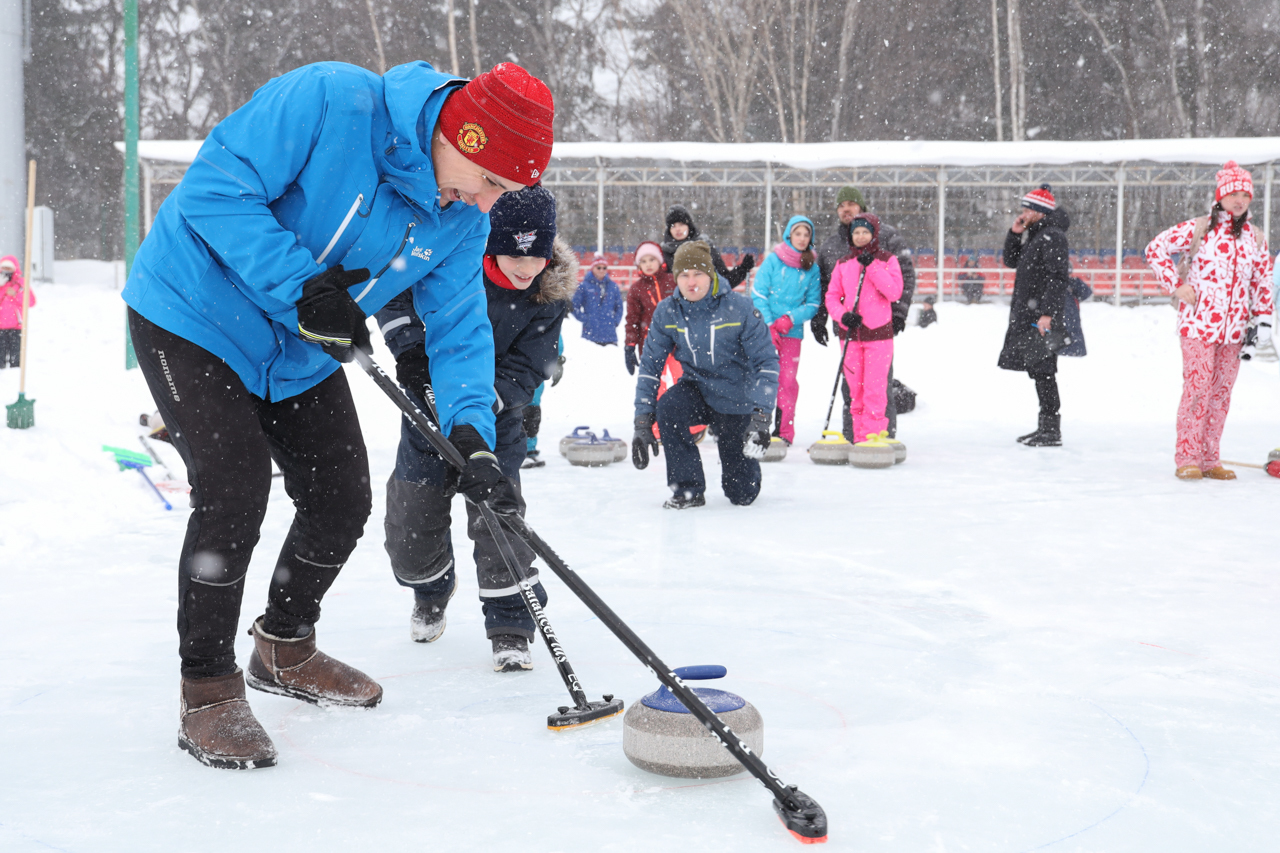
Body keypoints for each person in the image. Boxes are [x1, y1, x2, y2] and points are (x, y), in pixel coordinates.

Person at [122, 59, 554, 769]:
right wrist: (301, 287)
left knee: (339, 494)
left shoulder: (457, 219)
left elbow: (459, 329)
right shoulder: (333, 100)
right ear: (464, 137)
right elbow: (214, 191)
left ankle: (284, 646)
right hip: (192, 311)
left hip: (297, 345)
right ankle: (207, 688)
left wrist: (471, 434)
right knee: (234, 488)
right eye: (491, 183)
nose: (486, 204)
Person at [379, 185, 575, 670]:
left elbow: (532, 367)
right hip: (425, 417)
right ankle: (430, 588)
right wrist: (410, 352)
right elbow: (395, 292)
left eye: (539, 256)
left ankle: (510, 623)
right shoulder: (453, 261)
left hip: (497, 424)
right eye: (515, 253)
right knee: (410, 523)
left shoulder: (546, 298)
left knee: (498, 522)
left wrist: (486, 399)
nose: (528, 268)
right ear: (491, 242)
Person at [1145, 161, 1274, 480]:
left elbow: (1262, 281)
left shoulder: (1255, 239)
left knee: (1221, 394)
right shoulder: (1200, 229)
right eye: (1234, 194)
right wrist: (1176, 284)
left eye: (1246, 194)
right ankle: (1187, 457)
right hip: (1198, 326)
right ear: (1221, 196)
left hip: (1235, 331)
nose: (1240, 200)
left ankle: (1210, 458)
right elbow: (1155, 248)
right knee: (1198, 389)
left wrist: (1262, 320)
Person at [632, 241, 778, 509]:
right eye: (684, 275)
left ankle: (745, 475)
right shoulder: (668, 311)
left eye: (698, 273)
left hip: (736, 396)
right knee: (669, 407)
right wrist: (642, 419)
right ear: (675, 277)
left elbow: (766, 361)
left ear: (710, 274)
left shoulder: (740, 308)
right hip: (696, 389)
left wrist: (761, 415)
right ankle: (687, 489)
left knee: (741, 494)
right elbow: (650, 365)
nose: (691, 281)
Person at [813, 186, 916, 439]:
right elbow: (826, 288)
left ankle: (881, 436)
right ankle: (854, 436)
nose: (845, 209)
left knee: (877, 387)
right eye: (841, 205)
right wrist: (822, 318)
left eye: (851, 203)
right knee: (852, 389)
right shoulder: (832, 248)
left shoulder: (888, 239)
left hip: (879, 329)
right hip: (848, 331)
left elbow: (903, 279)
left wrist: (899, 314)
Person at [997, 184, 1071, 447]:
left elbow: (1058, 278)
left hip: (1040, 317)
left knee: (1045, 371)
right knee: (1039, 372)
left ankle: (1051, 430)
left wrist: (1047, 314)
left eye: (1027, 208)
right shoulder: (1038, 234)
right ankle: (1045, 427)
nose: (1023, 212)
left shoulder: (1052, 236)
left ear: (1039, 212)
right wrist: (1015, 234)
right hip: (1032, 313)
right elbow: (1011, 260)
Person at [825, 214, 904, 446]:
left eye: (865, 232)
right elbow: (831, 297)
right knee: (855, 390)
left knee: (875, 390)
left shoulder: (887, 260)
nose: (860, 236)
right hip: (850, 336)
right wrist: (842, 316)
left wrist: (872, 267)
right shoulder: (843, 263)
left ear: (874, 234)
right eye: (856, 232)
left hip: (878, 336)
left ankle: (874, 437)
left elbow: (894, 292)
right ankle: (859, 438)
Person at [750, 215, 821, 445]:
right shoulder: (773, 260)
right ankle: (757, 426)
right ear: (789, 234)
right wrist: (769, 324)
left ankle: (783, 432)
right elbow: (759, 293)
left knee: (787, 381)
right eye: (798, 233)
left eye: (806, 234)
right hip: (765, 332)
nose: (802, 238)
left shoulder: (812, 266)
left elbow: (812, 304)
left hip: (792, 333)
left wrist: (790, 319)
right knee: (761, 378)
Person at [660, 204, 755, 288]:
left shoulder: (706, 248)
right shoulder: (663, 254)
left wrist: (742, 269)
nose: (677, 229)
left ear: (689, 225)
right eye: (673, 226)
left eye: (681, 224)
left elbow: (725, 282)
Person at [623, 240, 675, 375]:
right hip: (650, 345)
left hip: (678, 343)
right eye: (643, 261)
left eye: (652, 259)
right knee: (655, 387)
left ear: (659, 260)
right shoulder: (636, 289)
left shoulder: (673, 280)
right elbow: (632, 320)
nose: (648, 264)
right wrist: (629, 346)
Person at [521, 334, 564, 469]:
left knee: (532, 412)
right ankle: (517, 451)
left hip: (538, 364)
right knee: (516, 410)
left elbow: (555, 332)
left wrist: (558, 359)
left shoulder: (549, 312)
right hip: (517, 361)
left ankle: (529, 448)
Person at [571, 253, 624, 345]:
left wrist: (615, 321)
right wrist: (586, 319)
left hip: (609, 335)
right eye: (598, 267)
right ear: (593, 268)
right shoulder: (584, 286)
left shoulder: (613, 286)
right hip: (590, 334)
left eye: (604, 268)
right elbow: (573, 306)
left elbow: (619, 307)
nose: (602, 270)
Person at [0, 255, 34, 368]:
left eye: (9, 268)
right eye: (4, 267)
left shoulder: (21, 283)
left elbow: (30, 301)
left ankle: (15, 381)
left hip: (16, 327)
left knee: (16, 360)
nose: (6, 271)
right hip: (0, 328)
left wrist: (15, 295)